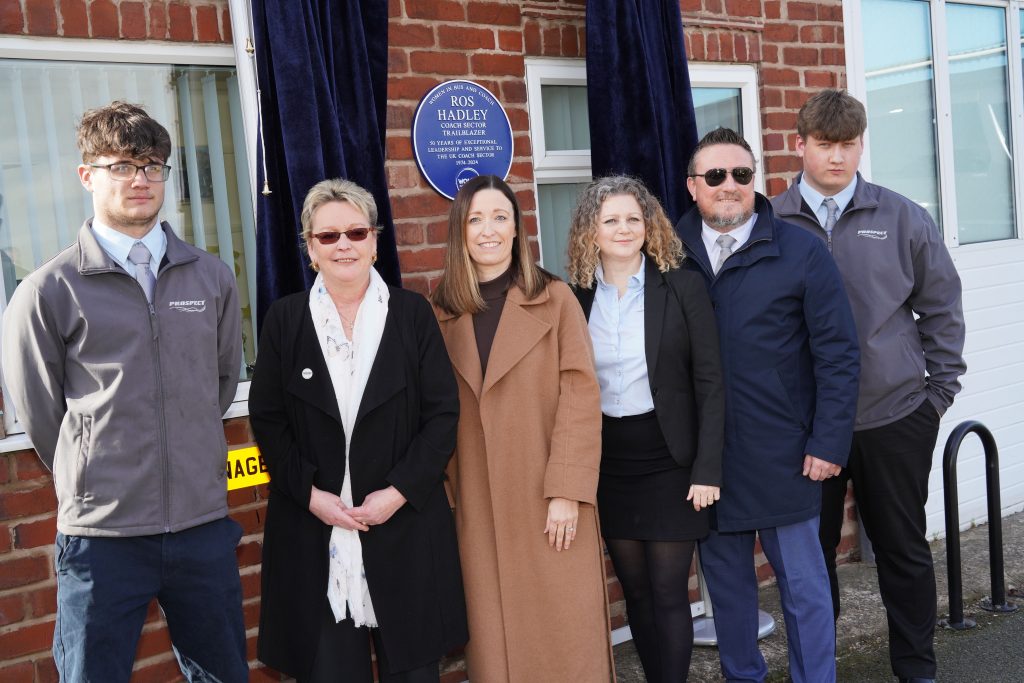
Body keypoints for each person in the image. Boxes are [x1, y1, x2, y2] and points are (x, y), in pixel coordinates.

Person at [0, 101, 246, 682]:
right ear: (87, 175)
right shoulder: (48, 290)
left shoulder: (211, 277)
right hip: (103, 538)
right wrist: (95, 469)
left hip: (201, 526)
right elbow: (41, 412)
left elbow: (219, 384)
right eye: (122, 166)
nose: (141, 179)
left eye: (153, 165)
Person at [772, 89, 966, 683]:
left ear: (861, 145)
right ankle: (818, 669)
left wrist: (935, 399)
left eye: (848, 145)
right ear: (799, 144)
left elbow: (942, 308)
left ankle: (917, 669)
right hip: (805, 428)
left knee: (903, 552)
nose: (836, 157)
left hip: (894, 416)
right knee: (812, 559)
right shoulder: (770, 222)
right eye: (824, 145)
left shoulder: (902, 217)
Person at [248, 178, 467, 683]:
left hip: (405, 528)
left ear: (374, 242)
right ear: (310, 249)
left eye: (356, 232)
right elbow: (269, 420)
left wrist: (397, 493)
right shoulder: (285, 320)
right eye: (328, 236)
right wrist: (311, 496)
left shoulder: (412, 315)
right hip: (315, 537)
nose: (343, 245)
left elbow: (442, 415)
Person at [676, 127, 860, 683]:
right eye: (715, 175)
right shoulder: (667, 255)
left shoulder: (800, 251)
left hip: (787, 456)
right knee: (729, 598)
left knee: (805, 593)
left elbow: (838, 354)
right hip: (708, 463)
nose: (729, 185)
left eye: (741, 174)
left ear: (754, 179)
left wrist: (829, 442)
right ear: (692, 186)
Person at [432, 174, 614, 682]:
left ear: (517, 229)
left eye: (500, 217)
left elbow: (580, 396)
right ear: (460, 231)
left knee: (563, 631)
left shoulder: (554, 298)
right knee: (494, 643)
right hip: (478, 505)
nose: (488, 230)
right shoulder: (440, 311)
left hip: (548, 495)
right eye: (475, 219)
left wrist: (567, 490)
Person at [566, 175, 725, 682]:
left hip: (671, 462)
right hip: (609, 464)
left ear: (649, 225)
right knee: (635, 592)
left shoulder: (682, 286)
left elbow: (710, 382)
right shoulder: (574, 298)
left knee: (668, 590)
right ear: (591, 231)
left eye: (633, 218)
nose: (623, 228)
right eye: (611, 219)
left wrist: (708, 468)